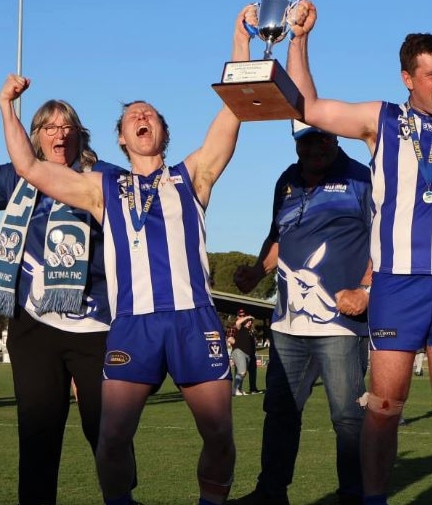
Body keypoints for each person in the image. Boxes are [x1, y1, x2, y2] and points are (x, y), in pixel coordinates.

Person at [0, 6, 253, 505]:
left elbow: (235, 111)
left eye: (150, 113)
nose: (141, 116)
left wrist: (240, 43)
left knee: (220, 437)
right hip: (132, 324)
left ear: (162, 131)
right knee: (112, 442)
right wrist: (6, 105)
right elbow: (28, 165)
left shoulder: (193, 175)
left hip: (192, 318)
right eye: (132, 115)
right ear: (120, 136)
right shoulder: (102, 187)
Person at [285, 2, 432, 503]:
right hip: (395, 285)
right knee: (384, 406)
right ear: (408, 78)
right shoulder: (378, 120)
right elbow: (306, 107)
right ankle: (374, 498)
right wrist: (299, 39)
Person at [231, 119, 372, 505]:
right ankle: (271, 493)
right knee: (279, 412)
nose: (314, 150)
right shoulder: (286, 180)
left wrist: (367, 290)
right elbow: (278, 235)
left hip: (340, 326)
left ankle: (354, 496)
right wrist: (257, 269)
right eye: (305, 142)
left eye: (321, 139)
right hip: (286, 326)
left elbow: (386, 239)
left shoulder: (362, 179)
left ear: (335, 136)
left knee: (348, 419)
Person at [0, 98, 129, 505]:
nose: (60, 135)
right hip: (33, 325)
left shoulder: (104, 177)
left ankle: (122, 498)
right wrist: (6, 105)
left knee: (106, 431)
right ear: (34, 137)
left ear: (80, 133)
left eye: (67, 127)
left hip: (95, 323)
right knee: (38, 432)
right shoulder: (15, 179)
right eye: (50, 128)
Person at [228, 314, 255, 396]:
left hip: (247, 354)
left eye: (251, 321)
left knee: (242, 372)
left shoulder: (250, 331)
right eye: (248, 321)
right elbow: (237, 323)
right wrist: (248, 317)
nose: (250, 322)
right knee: (242, 371)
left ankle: (239, 389)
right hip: (239, 351)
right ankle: (235, 389)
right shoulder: (240, 328)